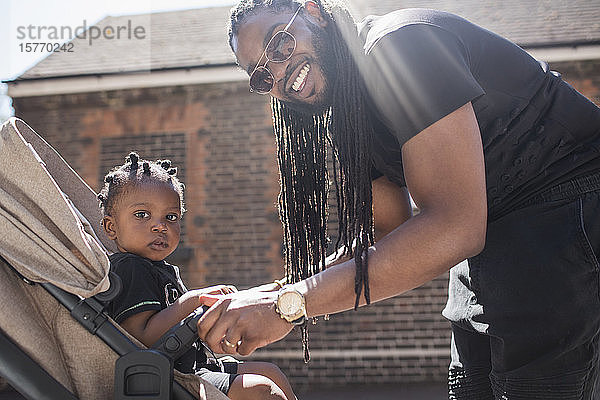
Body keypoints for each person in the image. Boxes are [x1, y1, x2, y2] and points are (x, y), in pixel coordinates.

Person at [196, 0, 600, 399]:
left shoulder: (400, 46)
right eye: (262, 76)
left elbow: (454, 224)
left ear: (314, 12)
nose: (281, 72)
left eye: (280, 43)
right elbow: (391, 232)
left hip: (567, 211)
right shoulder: (349, 115)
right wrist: (274, 295)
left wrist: (290, 306)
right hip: (492, 238)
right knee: (471, 387)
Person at [98, 152, 296, 400]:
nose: (160, 226)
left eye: (171, 217)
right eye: (142, 215)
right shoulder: (129, 268)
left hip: (194, 365)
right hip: (166, 375)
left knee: (271, 372)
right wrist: (193, 300)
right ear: (111, 227)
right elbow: (141, 339)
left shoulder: (163, 270)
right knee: (261, 390)